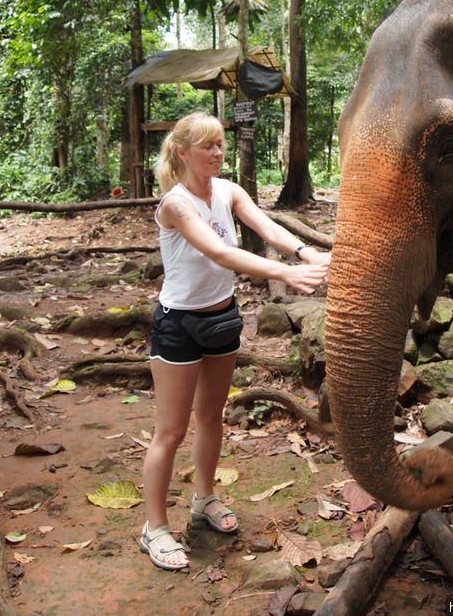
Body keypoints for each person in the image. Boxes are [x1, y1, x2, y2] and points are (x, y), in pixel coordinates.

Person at [139, 111, 330, 571]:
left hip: (222, 317)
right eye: (208, 146)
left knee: (211, 416)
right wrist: (287, 272)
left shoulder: (228, 190)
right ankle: (154, 527)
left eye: (221, 144)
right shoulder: (176, 204)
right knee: (171, 429)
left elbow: (266, 227)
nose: (218, 153)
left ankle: (204, 499)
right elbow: (220, 251)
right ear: (183, 152)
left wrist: (304, 251)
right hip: (178, 324)